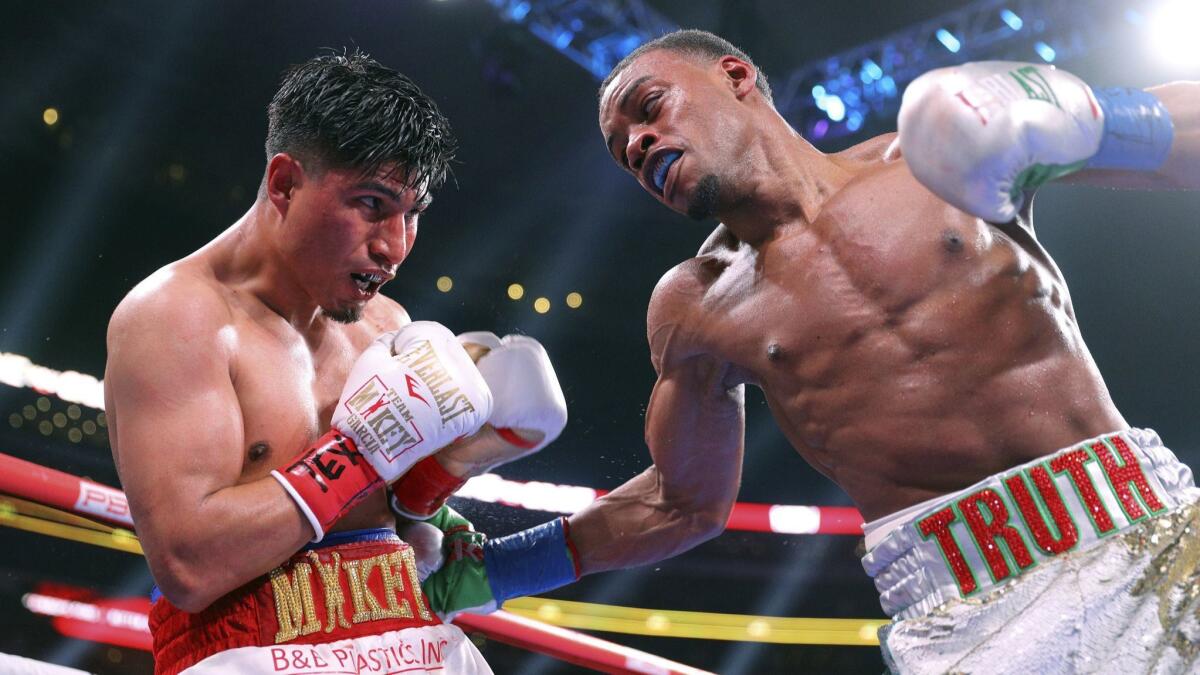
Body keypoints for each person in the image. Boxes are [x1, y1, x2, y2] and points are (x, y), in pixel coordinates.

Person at [420, 29, 1199, 673]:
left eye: (648, 109)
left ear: (736, 76)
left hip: (1151, 530)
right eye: (625, 151)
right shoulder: (693, 304)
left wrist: (1100, 117)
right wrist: (491, 571)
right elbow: (681, 501)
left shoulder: (940, 154)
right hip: (972, 612)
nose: (640, 143)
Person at [104, 51, 567, 675]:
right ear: (285, 183)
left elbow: (409, 538)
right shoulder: (176, 320)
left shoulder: (389, 327)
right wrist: (365, 449)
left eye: (414, 214)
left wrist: (448, 472)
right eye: (373, 205)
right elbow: (191, 567)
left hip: (412, 647)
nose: (395, 247)